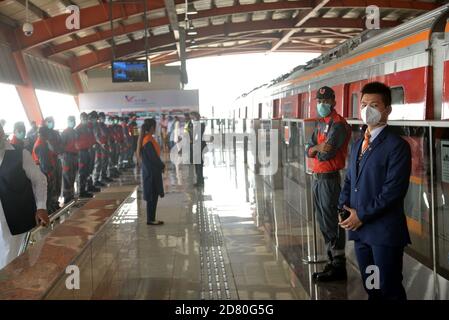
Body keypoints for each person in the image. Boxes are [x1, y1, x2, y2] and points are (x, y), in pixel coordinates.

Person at [338, 82, 412, 300]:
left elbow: (393, 191)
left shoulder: (397, 146)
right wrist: (342, 208)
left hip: (383, 233)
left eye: (374, 104)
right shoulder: (358, 143)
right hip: (361, 234)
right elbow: (350, 179)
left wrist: (360, 215)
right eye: (363, 104)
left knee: (389, 287)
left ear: (387, 110)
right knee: (372, 286)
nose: (366, 109)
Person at [305, 86, 351, 282]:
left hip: (330, 180)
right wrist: (316, 147)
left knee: (332, 220)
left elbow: (326, 154)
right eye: (319, 101)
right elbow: (308, 149)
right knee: (323, 221)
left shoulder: (338, 125)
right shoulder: (321, 123)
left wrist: (317, 150)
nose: (322, 104)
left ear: (333, 101)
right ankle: (331, 260)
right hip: (317, 178)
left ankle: (339, 266)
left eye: (326, 101)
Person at [0, 123, 49, 270]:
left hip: (19, 217)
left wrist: (41, 207)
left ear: (2, 132)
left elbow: (39, 180)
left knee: (21, 260)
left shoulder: (20, 154)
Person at [140, 119, 165, 225]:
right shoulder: (147, 140)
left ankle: (152, 219)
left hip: (151, 170)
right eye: (155, 127)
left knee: (153, 195)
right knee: (151, 195)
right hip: (151, 172)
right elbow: (153, 157)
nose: (156, 129)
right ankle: (150, 219)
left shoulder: (148, 138)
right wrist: (162, 165)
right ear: (151, 128)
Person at [32, 126, 58, 214]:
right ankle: (48, 213)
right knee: (47, 194)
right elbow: (44, 165)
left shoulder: (42, 143)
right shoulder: (41, 145)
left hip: (44, 172)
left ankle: (49, 210)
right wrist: (49, 174)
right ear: (44, 134)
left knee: (48, 194)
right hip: (44, 173)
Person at [75, 112, 96, 198]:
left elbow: (91, 138)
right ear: (81, 119)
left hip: (88, 151)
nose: (85, 120)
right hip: (81, 153)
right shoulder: (78, 129)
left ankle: (89, 187)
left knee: (89, 170)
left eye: (86, 119)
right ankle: (81, 191)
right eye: (84, 119)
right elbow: (75, 142)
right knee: (83, 172)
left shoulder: (87, 127)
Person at [61, 116, 79, 204]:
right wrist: (64, 157)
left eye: (74, 121)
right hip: (67, 157)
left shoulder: (75, 132)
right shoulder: (65, 132)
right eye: (71, 121)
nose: (73, 122)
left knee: (72, 177)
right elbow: (62, 147)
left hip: (75, 156)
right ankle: (67, 198)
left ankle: (71, 196)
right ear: (68, 122)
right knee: (67, 177)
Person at [191, 112, 206, 187]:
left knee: (199, 165)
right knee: (197, 165)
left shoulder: (201, 125)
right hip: (197, 146)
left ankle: (199, 181)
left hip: (199, 147)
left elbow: (197, 136)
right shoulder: (196, 125)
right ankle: (200, 180)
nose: (192, 119)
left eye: (193, 118)